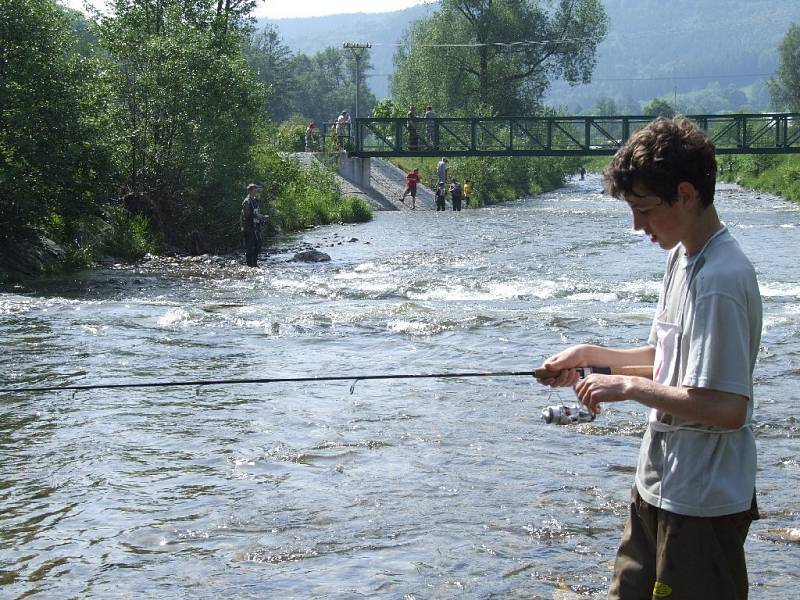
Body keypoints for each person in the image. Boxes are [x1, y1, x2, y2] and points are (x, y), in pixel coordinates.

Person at [537, 116, 762, 600]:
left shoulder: (721, 279)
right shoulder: (682, 257)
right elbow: (668, 362)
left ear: (685, 194)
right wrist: (591, 361)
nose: (636, 225)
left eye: (643, 209)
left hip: (701, 505)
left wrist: (628, 388)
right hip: (658, 485)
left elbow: (727, 408)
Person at [241, 183, 264, 268]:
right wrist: (258, 216)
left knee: (258, 246)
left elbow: (256, 212)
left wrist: (262, 218)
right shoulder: (246, 201)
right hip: (248, 228)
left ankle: (254, 265)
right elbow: (247, 215)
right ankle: (249, 266)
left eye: (256, 190)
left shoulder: (255, 201)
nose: (256, 192)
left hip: (256, 228)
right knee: (250, 248)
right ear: (250, 191)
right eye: (254, 190)